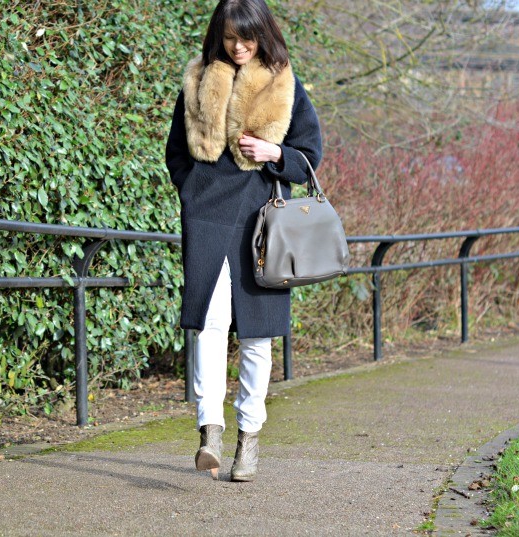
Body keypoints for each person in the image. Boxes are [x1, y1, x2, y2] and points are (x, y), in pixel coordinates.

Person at [165, 0, 322, 482]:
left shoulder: (284, 84)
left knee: (256, 335)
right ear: (219, 34)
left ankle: (248, 440)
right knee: (208, 327)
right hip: (208, 217)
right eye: (230, 37)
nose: (238, 47)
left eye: (247, 38)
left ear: (263, 34)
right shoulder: (196, 79)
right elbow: (175, 154)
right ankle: (209, 429)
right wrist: (193, 196)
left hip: (262, 220)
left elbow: (311, 157)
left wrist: (275, 151)